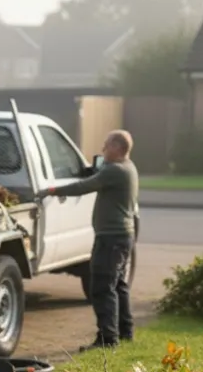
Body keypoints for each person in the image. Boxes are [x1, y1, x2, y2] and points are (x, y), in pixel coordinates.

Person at [46, 130, 140, 351]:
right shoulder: (129, 167)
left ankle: (107, 339)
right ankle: (125, 332)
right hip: (122, 237)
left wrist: (53, 190)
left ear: (117, 148)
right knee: (119, 286)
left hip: (110, 239)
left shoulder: (115, 171)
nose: (102, 149)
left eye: (106, 145)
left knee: (102, 287)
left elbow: (83, 186)